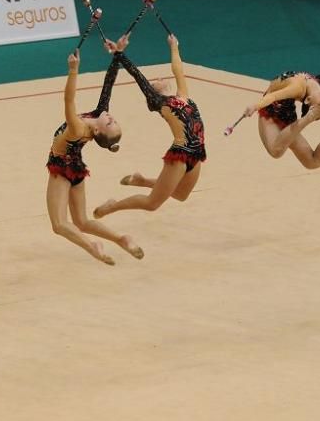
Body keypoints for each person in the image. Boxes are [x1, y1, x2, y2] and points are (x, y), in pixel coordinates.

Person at [46, 46, 143, 265]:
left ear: (98, 132)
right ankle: (122, 238)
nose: (110, 116)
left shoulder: (78, 129)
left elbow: (68, 101)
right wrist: (117, 54)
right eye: (113, 119)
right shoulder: (98, 117)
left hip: (61, 169)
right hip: (77, 168)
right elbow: (108, 84)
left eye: (110, 122)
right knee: (81, 221)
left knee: (60, 224)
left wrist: (73, 70)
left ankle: (92, 246)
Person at [94, 33, 205, 219]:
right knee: (151, 204)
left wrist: (174, 46)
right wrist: (120, 54)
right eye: (156, 81)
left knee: (180, 195)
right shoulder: (159, 102)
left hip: (197, 152)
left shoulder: (182, 95)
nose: (160, 78)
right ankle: (113, 206)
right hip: (182, 154)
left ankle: (141, 180)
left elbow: (178, 69)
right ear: (154, 90)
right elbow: (137, 76)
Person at [241, 71, 320, 170]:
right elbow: (272, 96)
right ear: (307, 100)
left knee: (313, 162)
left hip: (288, 115)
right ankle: (310, 118)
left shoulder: (317, 88)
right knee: (276, 151)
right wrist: (255, 105)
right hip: (271, 113)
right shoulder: (297, 87)